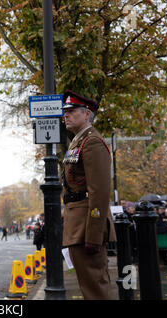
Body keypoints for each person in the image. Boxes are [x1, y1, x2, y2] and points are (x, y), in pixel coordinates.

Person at [61, 90, 116, 300]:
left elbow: (99, 192)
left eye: (72, 111)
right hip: (77, 225)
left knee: (96, 289)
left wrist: (94, 234)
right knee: (90, 288)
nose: (66, 115)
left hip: (87, 226)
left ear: (87, 114)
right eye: (65, 112)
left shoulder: (92, 142)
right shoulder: (78, 141)